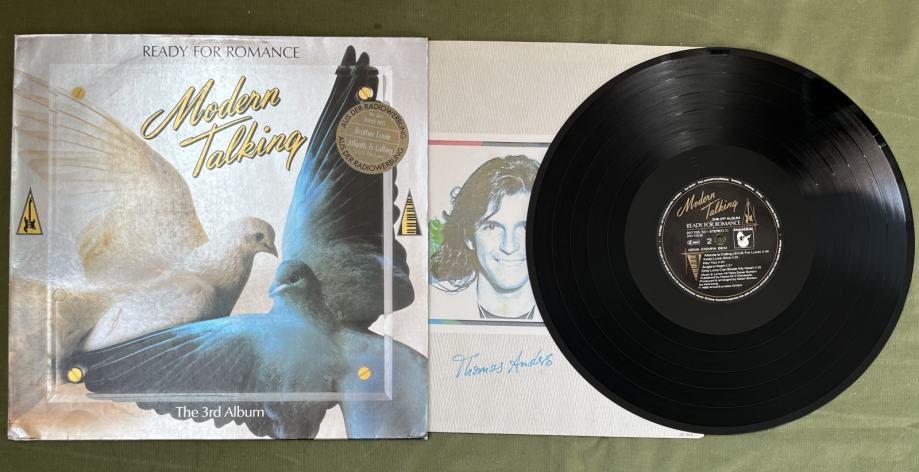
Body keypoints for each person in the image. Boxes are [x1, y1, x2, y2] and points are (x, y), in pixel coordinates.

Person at [431, 155, 540, 320]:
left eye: (525, 227)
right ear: (468, 237)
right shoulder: (432, 307)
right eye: (492, 227)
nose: (509, 246)